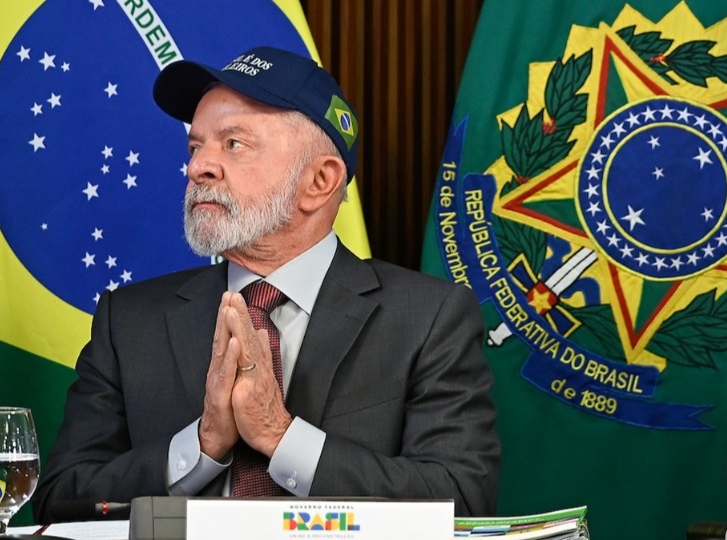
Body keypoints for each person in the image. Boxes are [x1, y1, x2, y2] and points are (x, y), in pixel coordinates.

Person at [34, 45, 500, 523]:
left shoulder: (429, 319)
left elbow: (462, 500)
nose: (198, 167)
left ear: (319, 181)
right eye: (195, 147)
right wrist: (200, 445)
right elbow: (60, 501)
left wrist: (281, 437)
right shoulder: (129, 321)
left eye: (233, 144)